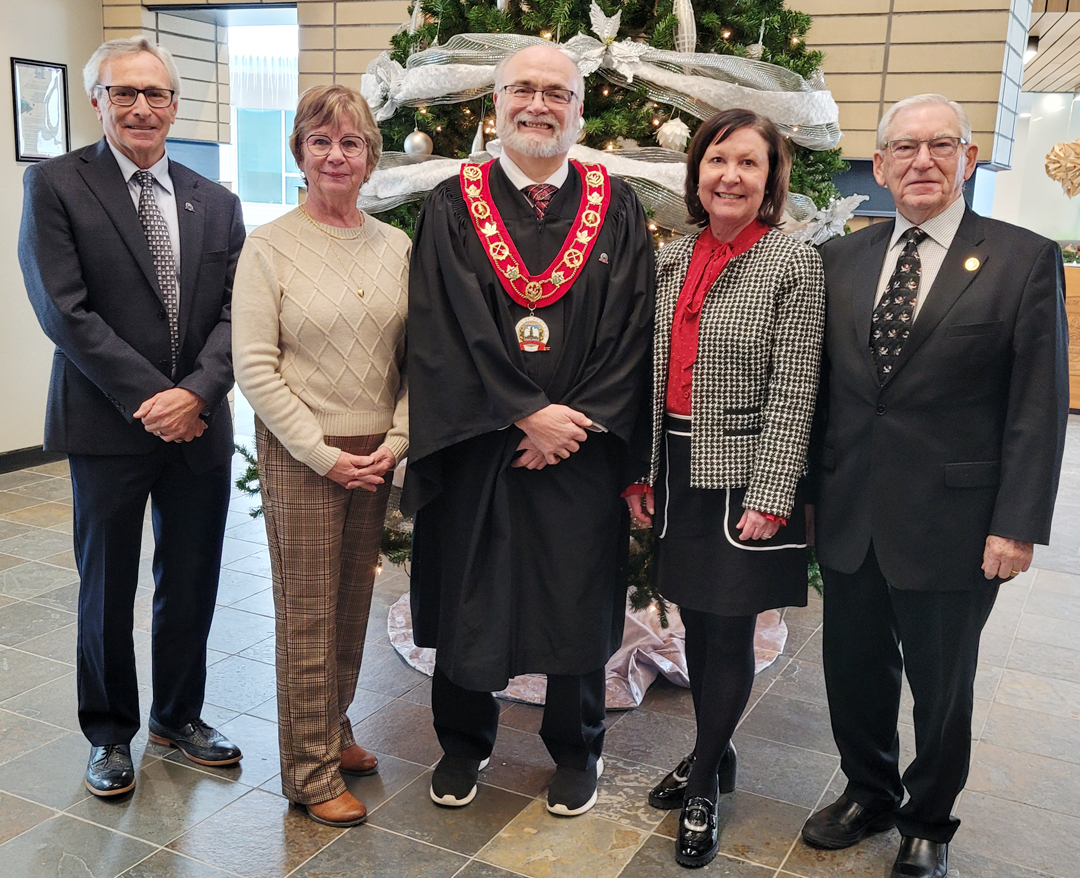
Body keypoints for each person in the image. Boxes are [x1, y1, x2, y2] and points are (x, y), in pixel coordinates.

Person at [801, 94, 1068, 878]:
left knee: (941, 685)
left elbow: (1037, 406)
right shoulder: (838, 258)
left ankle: (929, 817)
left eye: (940, 146)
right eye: (904, 148)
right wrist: (810, 498)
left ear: (968, 157)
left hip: (957, 520)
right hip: (851, 513)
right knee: (853, 669)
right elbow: (824, 397)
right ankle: (869, 791)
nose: (923, 161)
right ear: (879, 166)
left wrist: (1016, 523)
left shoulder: (1022, 257)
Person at [403, 43, 654, 818]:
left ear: (580, 109)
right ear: (495, 104)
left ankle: (576, 749)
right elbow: (442, 327)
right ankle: (462, 743)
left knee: (576, 596)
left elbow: (632, 331)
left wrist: (567, 425)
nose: (538, 104)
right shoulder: (452, 203)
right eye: (522, 89)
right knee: (469, 593)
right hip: (480, 444)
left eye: (557, 92)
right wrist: (523, 410)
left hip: (580, 449)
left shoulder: (617, 204)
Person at [18, 38, 245, 797]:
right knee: (106, 588)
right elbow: (64, 310)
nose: (142, 107)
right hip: (109, 424)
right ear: (98, 102)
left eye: (156, 94)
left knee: (191, 580)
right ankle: (109, 733)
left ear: (177, 106)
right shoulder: (55, 185)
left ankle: (179, 718)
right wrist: (158, 400)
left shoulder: (216, 201)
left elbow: (236, 313)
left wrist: (199, 396)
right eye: (124, 93)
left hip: (202, 427)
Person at [625, 109, 825, 868]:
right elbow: (645, 379)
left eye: (749, 163)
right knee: (697, 628)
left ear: (772, 179)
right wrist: (640, 471)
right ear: (697, 171)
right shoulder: (673, 257)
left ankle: (705, 780)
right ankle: (721, 752)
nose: (730, 176)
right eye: (718, 161)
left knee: (731, 628)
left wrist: (772, 492)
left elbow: (795, 389)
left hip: (745, 479)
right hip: (676, 468)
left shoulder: (792, 263)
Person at [232, 85, 409, 829]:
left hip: (377, 452)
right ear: (300, 153)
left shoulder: (397, 245)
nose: (336, 155)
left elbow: (419, 361)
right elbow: (253, 365)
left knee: (351, 605)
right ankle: (307, 772)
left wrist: (396, 442)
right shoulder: (268, 247)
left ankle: (333, 731)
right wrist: (320, 452)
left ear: (370, 158)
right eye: (321, 142)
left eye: (352, 143)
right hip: (304, 454)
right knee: (307, 614)